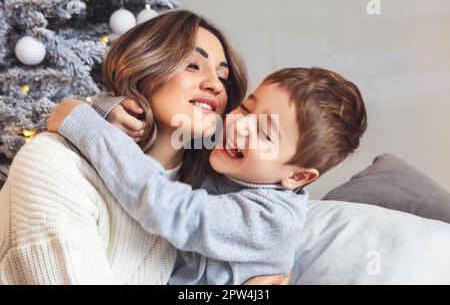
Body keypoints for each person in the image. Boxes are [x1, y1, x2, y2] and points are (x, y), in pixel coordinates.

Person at [0, 10, 288, 285]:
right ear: (145, 68)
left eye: (223, 78)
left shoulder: (202, 202)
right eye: (192, 65)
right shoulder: (54, 165)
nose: (215, 84)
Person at [47, 67, 367, 284]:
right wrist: (100, 108)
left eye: (264, 133)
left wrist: (84, 124)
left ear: (297, 178)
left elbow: (168, 207)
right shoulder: (228, 150)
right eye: (246, 108)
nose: (239, 125)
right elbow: (154, 121)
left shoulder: (270, 220)